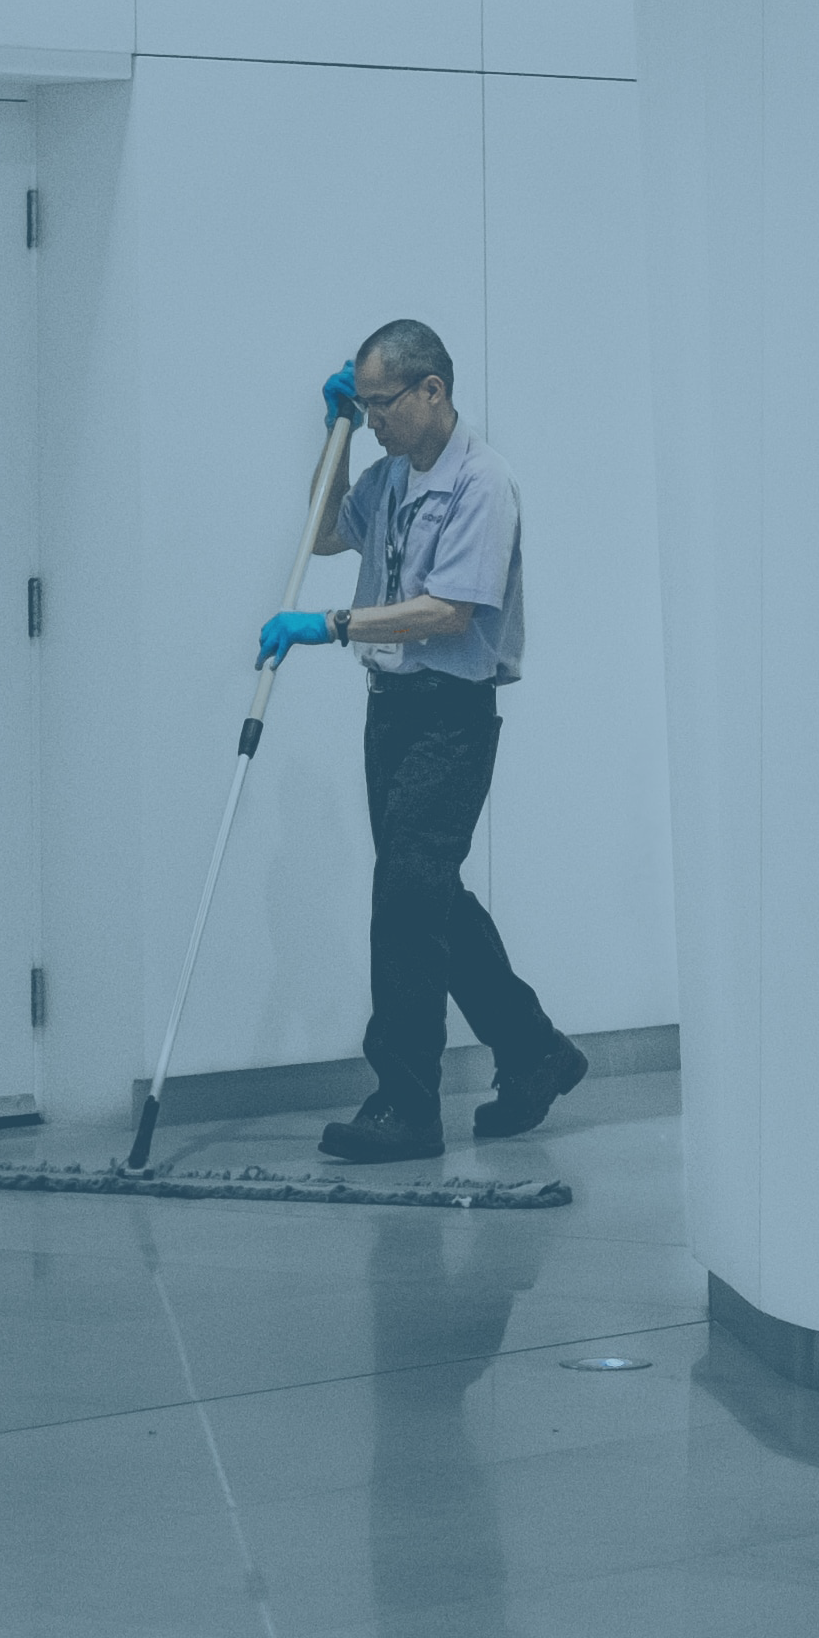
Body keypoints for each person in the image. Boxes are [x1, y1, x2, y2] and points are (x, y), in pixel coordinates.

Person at [257, 320, 588, 1162]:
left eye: (379, 405)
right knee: (429, 897)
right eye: (360, 406)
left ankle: (405, 1104)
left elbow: (451, 610)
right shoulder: (388, 474)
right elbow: (326, 532)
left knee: (406, 901)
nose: (373, 421)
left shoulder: (484, 483)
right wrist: (330, 438)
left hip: (451, 714)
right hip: (392, 710)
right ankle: (536, 1052)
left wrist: (329, 623)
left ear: (431, 390)